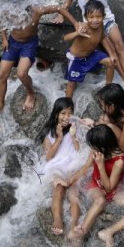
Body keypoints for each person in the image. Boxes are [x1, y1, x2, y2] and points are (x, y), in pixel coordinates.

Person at [0, 0, 80, 116]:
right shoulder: (8, 10)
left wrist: (76, 23)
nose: (17, 13)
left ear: (28, 7)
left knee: (21, 73)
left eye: (21, 11)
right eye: (14, 9)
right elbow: (1, 21)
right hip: (13, 43)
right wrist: (4, 38)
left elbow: (59, 8)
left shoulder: (36, 10)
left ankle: (31, 93)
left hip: (29, 44)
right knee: (2, 74)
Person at [63, 125, 124, 247]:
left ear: (103, 146)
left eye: (94, 146)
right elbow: (84, 169)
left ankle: (109, 232)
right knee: (100, 201)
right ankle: (78, 238)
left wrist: (100, 165)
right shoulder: (96, 150)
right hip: (95, 186)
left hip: (114, 191)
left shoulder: (119, 160)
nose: (92, 149)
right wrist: (68, 181)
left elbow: (110, 187)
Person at [37, 97, 83, 236]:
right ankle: (58, 219)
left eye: (70, 113)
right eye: (63, 113)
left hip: (73, 164)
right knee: (59, 189)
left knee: (74, 194)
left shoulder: (74, 128)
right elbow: (49, 156)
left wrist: (74, 136)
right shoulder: (49, 133)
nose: (66, 117)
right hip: (55, 166)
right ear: (56, 114)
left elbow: (78, 150)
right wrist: (59, 138)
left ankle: (74, 224)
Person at [64, 0, 117, 98]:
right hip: (76, 59)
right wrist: (77, 33)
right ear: (86, 17)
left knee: (110, 62)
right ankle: (67, 105)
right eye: (91, 17)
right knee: (72, 84)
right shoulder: (83, 27)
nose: (95, 20)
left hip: (91, 54)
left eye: (98, 17)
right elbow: (66, 38)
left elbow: (103, 38)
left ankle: (108, 88)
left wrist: (112, 53)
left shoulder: (100, 25)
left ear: (103, 17)